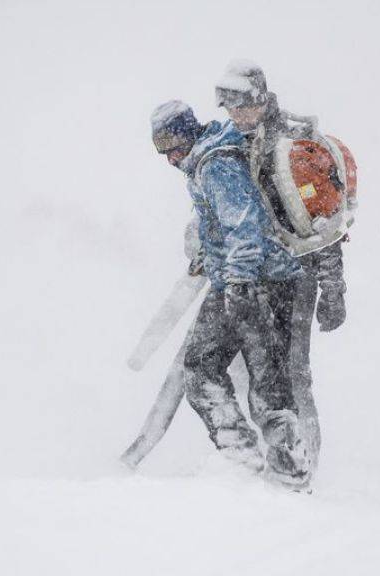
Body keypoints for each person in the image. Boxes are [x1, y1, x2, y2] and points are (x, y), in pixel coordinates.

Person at [151, 100, 311, 490]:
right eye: (160, 148)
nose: (169, 156)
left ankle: (284, 473)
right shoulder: (208, 160)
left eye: (172, 143)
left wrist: (239, 284)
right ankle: (246, 463)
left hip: (257, 284)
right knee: (207, 370)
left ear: (188, 131)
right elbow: (225, 223)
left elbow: (244, 227)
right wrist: (208, 254)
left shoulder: (217, 164)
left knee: (263, 381)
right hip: (242, 280)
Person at [215, 60, 350, 476]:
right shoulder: (241, 142)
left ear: (259, 99)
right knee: (257, 369)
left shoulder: (287, 147)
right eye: (229, 108)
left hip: (297, 276)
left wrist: (333, 288)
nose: (236, 115)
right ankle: (274, 457)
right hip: (258, 279)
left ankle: (305, 458)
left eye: (242, 106)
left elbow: (321, 226)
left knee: (292, 370)